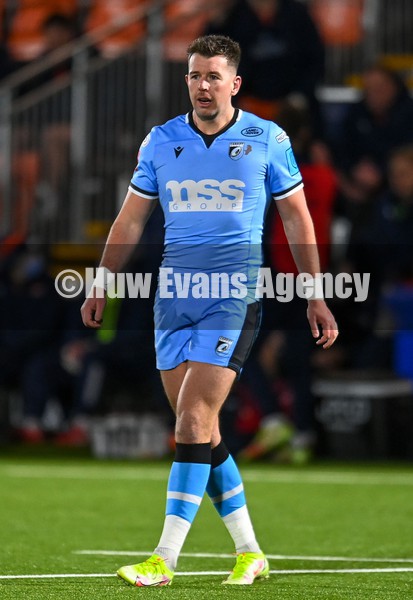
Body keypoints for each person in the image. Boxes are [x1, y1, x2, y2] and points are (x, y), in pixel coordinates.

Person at [81, 34, 338, 587]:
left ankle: (163, 559)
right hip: (173, 298)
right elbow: (130, 221)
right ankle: (251, 551)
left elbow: (297, 218)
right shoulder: (161, 141)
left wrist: (315, 292)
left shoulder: (267, 138)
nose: (202, 86)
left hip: (233, 295)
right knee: (199, 429)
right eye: (195, 76)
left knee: (194, 419)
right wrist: (103, 280)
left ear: (235, 83)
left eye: (213, 76)